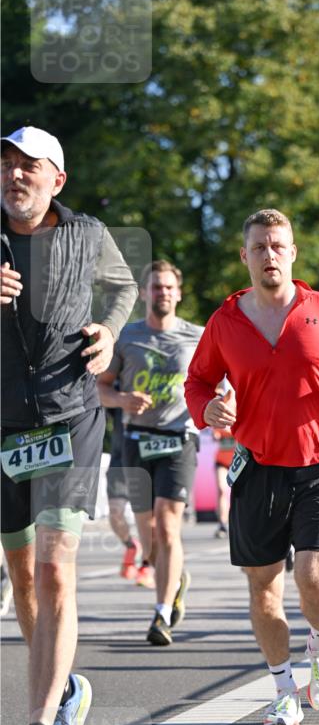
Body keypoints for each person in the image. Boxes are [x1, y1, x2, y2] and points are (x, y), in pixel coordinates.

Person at [184, 208, 319, 725]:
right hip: (257, 470)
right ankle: (282, 691)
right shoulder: (225, 321)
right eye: (259, 247)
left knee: (315, 575)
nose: (269, 255)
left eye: (278, 245)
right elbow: (197, 382)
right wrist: (207, 408)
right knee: (263, 590)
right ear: (245, 256)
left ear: (293, 252)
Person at [1, 126, 137, 725]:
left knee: (55, 570)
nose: (14, 176)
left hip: (69, 416)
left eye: (29, 167)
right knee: (22, 580)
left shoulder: (88, 234)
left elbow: (124, 288)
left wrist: (108, 335)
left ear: (57, 178)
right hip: (5, 428)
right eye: (6, 165)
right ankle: (66, 690)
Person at [98, 260, 203, 646]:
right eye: (155, 287)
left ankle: (161, 615)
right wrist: (123, 399)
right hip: (136, 440)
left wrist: (224, 401)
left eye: (168, 287)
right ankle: (175, 579)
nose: (162, 293)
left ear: (178, 293)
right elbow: (100, 388)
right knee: (149, 534)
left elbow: (222, 384)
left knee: (168, 521)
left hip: (179, 439)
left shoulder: (198, 336)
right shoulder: (126, 338)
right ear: (144, 293)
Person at [105, 406, 143, 582]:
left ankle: (148, 565)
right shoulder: (118, 381)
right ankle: (131, 545)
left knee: (151, 518)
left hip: (147, 456)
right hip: (120, 459)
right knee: (115, 513)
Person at [212, 380, 236, 539]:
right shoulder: (216, 407)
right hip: (221, 460)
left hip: (238, 461)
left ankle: (237, 523)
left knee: (238, 493)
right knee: (221, 489)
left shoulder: (239, 406)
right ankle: (222, 524)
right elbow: (215, 434)